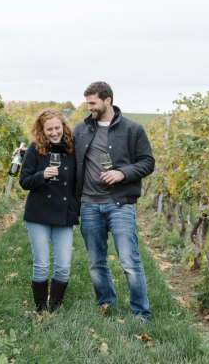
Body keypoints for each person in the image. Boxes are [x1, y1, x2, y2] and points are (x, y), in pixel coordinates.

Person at [74, 81, 155, 320]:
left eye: (93, 102)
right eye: (87, 102)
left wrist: (123, 173)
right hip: (89, 204)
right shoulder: (81, 129)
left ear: (107, 100)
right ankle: (106, 304)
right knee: (96, 261)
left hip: (120, 204)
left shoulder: (133, 129)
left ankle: (141, 312)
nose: (89, 107)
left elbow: (148, 162)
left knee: (129, 261)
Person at [18, 108, 79, 313]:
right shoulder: (35, 150)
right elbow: (24, 181)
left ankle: (55, 307)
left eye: (57, 128)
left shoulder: (72, 150)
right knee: (42, 263)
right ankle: (41, 308)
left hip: (64, 214)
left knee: (63, 266)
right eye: (49, 129)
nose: (54, 133)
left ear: (63, 126)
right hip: (39, 213)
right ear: (42, 131)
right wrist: (42, 175)